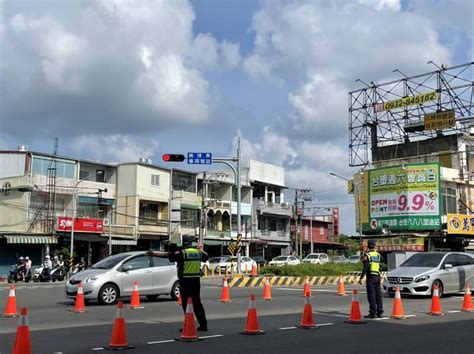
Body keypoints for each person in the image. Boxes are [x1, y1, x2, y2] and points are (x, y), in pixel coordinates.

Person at [149, 236, 209, 331]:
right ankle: (203, 325)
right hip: (196, 282)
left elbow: (170, 256)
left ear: (184, 243)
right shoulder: (198, 253)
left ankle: (189, 325)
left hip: (185, 282)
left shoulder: (182, 253)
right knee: (197, 304)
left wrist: (170, 248)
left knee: (186, 304)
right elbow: (206, 257)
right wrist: (200, 249)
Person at [359, 239, 383, 318]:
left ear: (368, 246)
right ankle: (380, 312)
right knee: (378, 295)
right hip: (377, 276)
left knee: (371, 295)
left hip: (371, 278)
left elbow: (365, 267)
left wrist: (361, 277)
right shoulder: (378, 255)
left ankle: (373, 313)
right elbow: (380, 265)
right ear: (374, 246)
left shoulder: (367, 255)